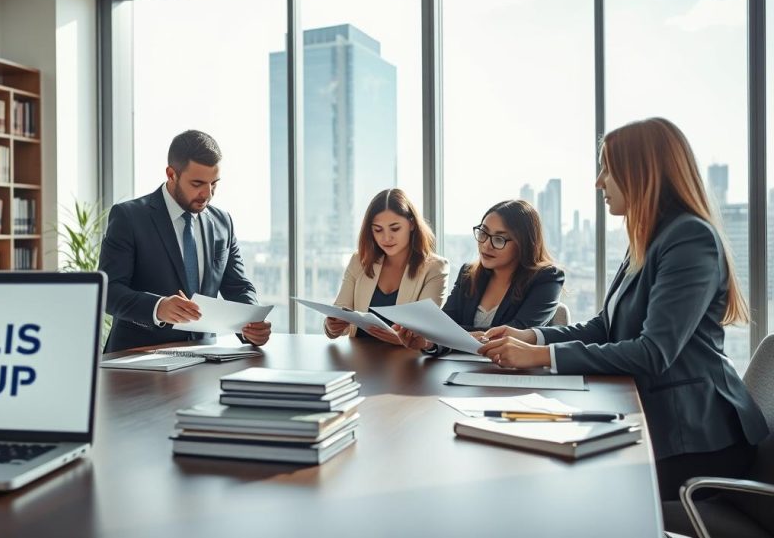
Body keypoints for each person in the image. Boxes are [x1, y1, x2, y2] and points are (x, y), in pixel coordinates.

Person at [476, 117, 768, 501]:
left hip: (698, 441)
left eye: (608, 170)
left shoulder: (690, 238)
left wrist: (540, 356)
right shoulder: (646, 238)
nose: (599, 182)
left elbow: (652, 353)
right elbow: (605, 326)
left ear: (641, 173)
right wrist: (530, 336)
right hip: (656, 422)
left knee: (565, 484)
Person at [99, 130, 271, 352]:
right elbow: (108, 291)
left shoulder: (222, 222)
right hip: (138, 359)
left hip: (203, 357)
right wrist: (158, 307)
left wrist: (252, 323)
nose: (207, 194)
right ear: (172, 174)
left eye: (214, 184)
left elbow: (238, 286)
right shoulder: (129, 217)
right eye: (197, 183)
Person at [403, 200, 564, 355]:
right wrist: (428, 342)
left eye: (499, 239)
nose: (486, 245)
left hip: (516, 374)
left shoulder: (547, 278)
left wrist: (453, 336)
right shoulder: (468, 274)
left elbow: (517, 333)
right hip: (462, 371)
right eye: (483, 233)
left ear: (524, 244)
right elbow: (444, 327)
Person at [324, 188, 449, 344]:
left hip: (408, 364)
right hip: (359, 360)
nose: (386, 238)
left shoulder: (435, 268)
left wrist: (403, 340)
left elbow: (427, 333)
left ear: (411, 224)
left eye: (395, 228)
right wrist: (332, 326)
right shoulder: (359, 261)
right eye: (378, 230)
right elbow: (340, 313)